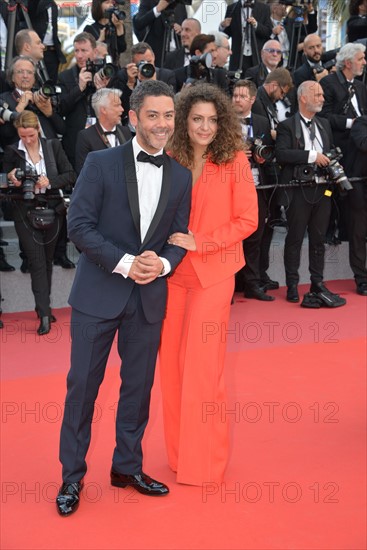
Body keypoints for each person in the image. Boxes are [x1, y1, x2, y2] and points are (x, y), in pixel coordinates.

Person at [56, 80, 192, 516]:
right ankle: (71, 477)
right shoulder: (100, 162)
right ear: (133, 118)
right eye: (153, 115)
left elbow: (177, 239)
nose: (162, 124)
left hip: (148, 299)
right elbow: (78, 226)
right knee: (83, 388)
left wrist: (164, 265)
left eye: (169, 115)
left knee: (138, 387)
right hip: (98, 294)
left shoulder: (181, 175)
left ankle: (126, 467)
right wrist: (126, 262)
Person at [159, 83, 258, 485]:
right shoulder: (170, 158)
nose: (204, 127)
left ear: (223, 122)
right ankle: (180, 454)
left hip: (214, 274)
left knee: (204, 369)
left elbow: (248, 220)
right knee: (171, 368)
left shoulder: (234, 160)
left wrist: (204, 241)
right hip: (171, 276)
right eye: (197, 119)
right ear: (184, 121)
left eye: (212, 120)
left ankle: (206, 462)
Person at [2, 111, 76, 334]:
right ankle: (44, 314)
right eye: (23, 136)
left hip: (53, 209)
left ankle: (43, 306)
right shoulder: (12, 151)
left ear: (38, 130)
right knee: (36, 261)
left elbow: (71, 174)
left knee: (47, 260)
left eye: (31, 136)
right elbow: (4, 182)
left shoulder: (52, 147)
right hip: (24, 212)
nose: (27, 140)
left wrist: (50, 181)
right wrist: (10, 177)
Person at [275, 81, 346, 307]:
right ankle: (293, 284)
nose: (322, 98)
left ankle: (317, 282)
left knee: (318, 240)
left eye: (323, 94)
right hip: (298, 190)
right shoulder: (287, 125)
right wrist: (312, 156)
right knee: (295, 238)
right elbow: (282, 154)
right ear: (303, 98)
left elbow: (330, 153)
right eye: (318, 94)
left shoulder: (324, 124)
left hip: (322, 188)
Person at [232, 79, 277, 300]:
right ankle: (230, 285)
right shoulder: (223, 121)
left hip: (256, 185)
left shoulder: (260, 121)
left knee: (255, 236)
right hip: (229, 188)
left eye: (242, 96)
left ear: (252, 99)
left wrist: (260, 158)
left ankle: (252, 283)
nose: (237, 100)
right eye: (235, 96)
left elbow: (269, 156)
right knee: (232, 238)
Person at [75, 87, 131, 174]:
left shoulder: (125, 131)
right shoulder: (86, 136)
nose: (122, 109)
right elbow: (84, 173)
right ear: (103, 110)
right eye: (117, 105)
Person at [219, 0, 272, 77]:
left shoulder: (264, 8)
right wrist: (222, 25)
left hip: (256, 56)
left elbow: (268, 32)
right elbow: (227, 33)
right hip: (238, 56)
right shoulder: (232, 8)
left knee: (256, 82)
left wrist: (256, 25)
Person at [133, 0, 187, 68]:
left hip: (177, 55)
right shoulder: (148, 2)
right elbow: (138, 23)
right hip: (157, 55)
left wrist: (182, 29)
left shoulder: (180, 3)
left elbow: (185, 23)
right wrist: (157, 9)